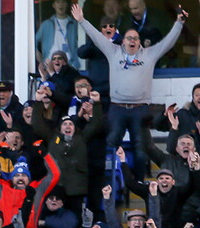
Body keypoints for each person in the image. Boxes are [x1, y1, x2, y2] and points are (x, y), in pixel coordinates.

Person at [72, 2, 185, 180]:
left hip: (140, 109)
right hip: (117, 108)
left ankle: (138, 182)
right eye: (129, 38)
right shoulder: (113, 51)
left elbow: (168, 43)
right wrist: (81, 20)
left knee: (141, 150)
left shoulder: (149, 54)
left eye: (135, 38)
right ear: (122, 40)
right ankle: (105, 184)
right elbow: (96, 36)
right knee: (109, 144)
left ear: (139, 42)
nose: (132, 41)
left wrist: (179, 22)